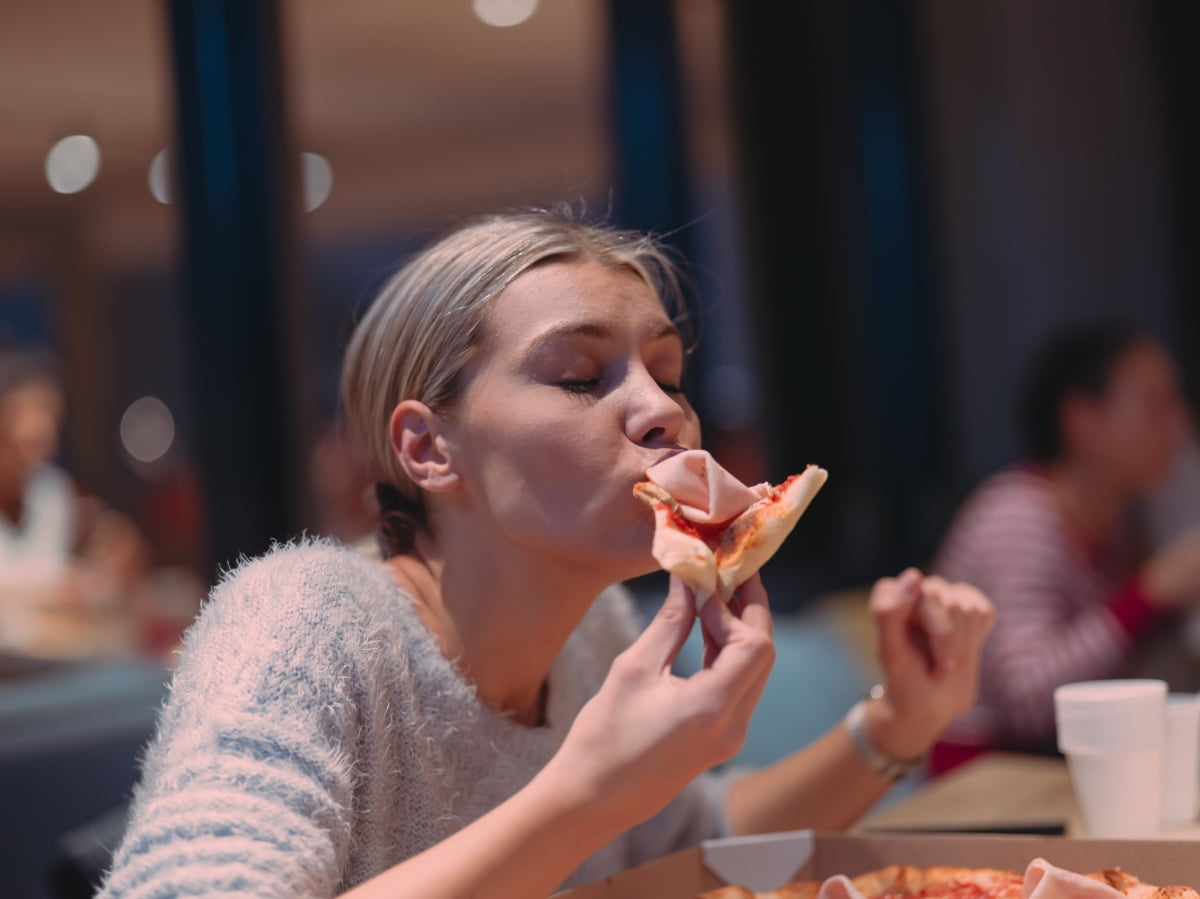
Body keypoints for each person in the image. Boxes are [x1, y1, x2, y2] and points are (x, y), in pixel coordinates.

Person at [98, 209, 993, 899]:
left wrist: (899, 723)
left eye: (669, 375)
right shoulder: (297, 620)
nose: (665, 413)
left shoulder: (589, 630)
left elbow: (686, 839)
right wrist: (583, 796)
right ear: (429, 448)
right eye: (579, 377)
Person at [930, 323, 1200, 773]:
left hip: (1054, 762)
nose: (1180, 426)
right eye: (1156, 406)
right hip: (981, 774)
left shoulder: (1121, 521)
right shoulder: (1018, 515)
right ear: (1082, 420)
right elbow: (1027, 699)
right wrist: (1148, 593)